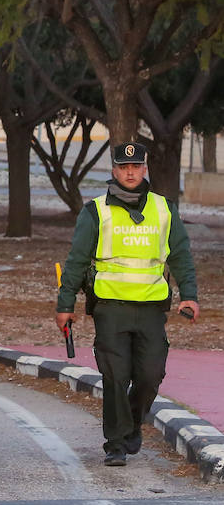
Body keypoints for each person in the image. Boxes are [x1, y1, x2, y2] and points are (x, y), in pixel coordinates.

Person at [55, 141, 200, 466]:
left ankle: (132, 423)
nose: (130, 172)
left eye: (136, 167)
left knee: (150, 374)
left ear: (144, 168)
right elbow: (77, 261)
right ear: (114, 171)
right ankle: (116, 444)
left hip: (150, 309)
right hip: (110, 309)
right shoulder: (96, 211)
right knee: (115, 377)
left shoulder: (164, 209)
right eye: (124, 167)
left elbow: (180, 256)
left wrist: (189, 295)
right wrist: (65, 304)